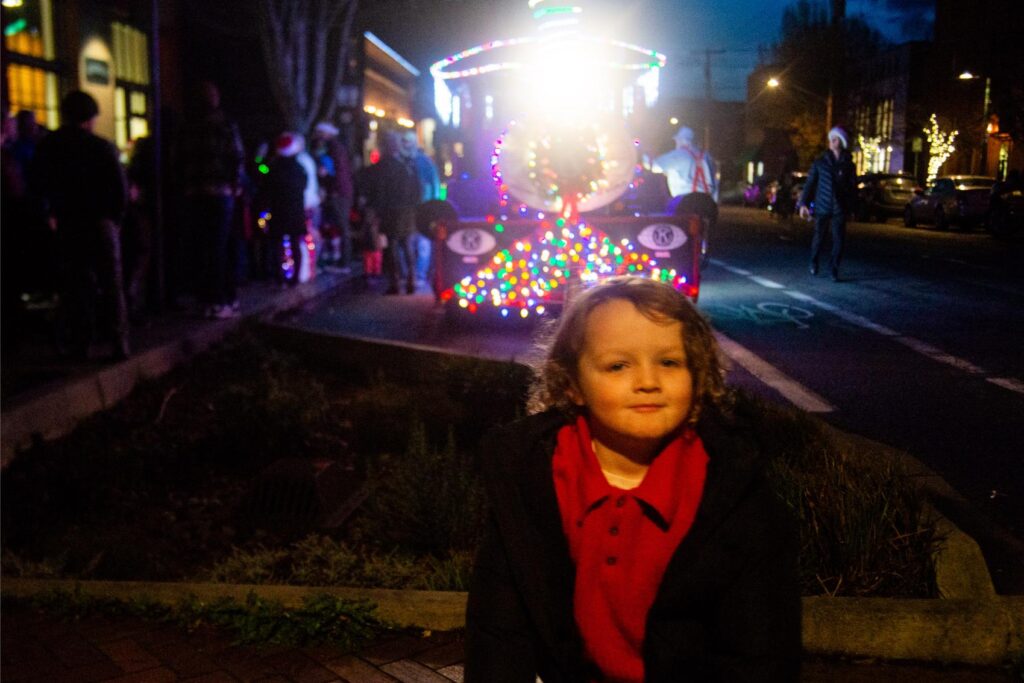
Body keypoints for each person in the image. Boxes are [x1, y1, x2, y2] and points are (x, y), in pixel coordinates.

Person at [465, 276, 801, 682]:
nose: (647, 381)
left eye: (670, 362)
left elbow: (759, 649)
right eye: (618, 365)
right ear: (572, 384)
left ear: (698, 376)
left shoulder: (732, 492)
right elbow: (499, 626)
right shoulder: (533, 477)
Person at [32, 91, 130, 360]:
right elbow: (119, 188)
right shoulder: (102, 147)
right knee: (111, 283)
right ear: (90, 117)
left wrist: (48, 214)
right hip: (101, 221)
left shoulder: (49, 146)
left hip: (68, 221)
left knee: (77, 285)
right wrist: (116, 218)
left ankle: (81, 343)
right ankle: (119, 341)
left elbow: (38, 185)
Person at [181, 80, 244, 318]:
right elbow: (236, 156)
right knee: (218, 246)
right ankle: (222, 299)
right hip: (219, 192)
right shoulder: (225, 125)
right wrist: (235, 185)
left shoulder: (188, 125)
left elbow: (179, 158)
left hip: (197, 192)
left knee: (205, 247)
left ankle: (210, 298)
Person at [362, 131, 420, 295]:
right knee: (407, 246)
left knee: (392, 248)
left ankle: (396, 283)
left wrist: (377, 212)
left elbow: (378, 192)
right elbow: (417, 189)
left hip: (390, 212)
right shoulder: (406, 166)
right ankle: (411, 280)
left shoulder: (381, 168)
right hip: (407, 211)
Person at [651, 126, 718, 267]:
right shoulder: (706, 156)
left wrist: (645, 155)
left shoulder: (679, 155)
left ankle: (676, 259)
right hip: (707, 201)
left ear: (681, 140)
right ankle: (703, 253)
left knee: (675, 228)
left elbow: (655, 166)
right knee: (706, 230)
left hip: (686, 200)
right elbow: (715, 181)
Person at [798, 126, 856, 281]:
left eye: (835, 139)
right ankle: (814, 261)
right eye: (831, 139)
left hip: (839, 207)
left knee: (839, 240)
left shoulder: (848, 165)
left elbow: (852, 188)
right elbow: (810, 183)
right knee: (819, 237)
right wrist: (803, 203)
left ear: (841, 142)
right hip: (822, 205)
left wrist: (852, 207)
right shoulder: (820, 163)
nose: (831, 142)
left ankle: (834, 269)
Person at [260, 132, 310, 287]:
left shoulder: (272, 168)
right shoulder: (300, 169)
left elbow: (262, 174)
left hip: (278, 210)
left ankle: (280, 277)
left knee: (277, 245)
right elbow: (304, 185)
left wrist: (259, 159)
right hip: (295, 210)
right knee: (295, 244)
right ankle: (294, 278)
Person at [400, 130, 441, 283]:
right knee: (408, 242)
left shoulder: (424, 162)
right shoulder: (402, 161)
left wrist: (434, 205)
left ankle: (420, 274)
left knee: (422, 241)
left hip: (424, 207)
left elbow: (434, 183)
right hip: (406, 209)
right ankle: (410, 273)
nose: (406, 145)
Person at [312, 121, 355, 269]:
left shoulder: (331, 149)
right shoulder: (337, 148)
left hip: (338, 192)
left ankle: (344, 261)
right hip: (341, 190)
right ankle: (341, 259)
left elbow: (329, 171)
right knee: (340, 226)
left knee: (342, 226)